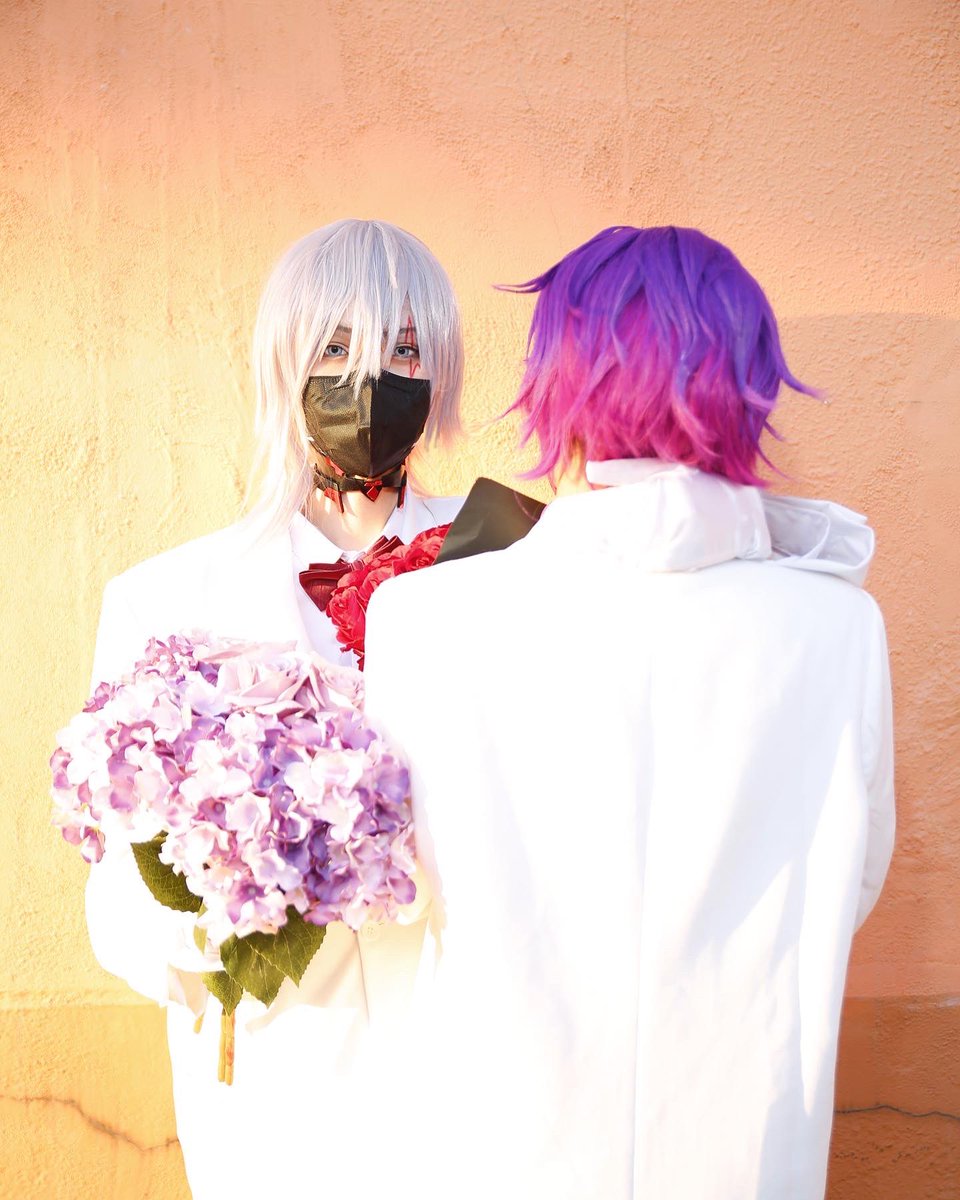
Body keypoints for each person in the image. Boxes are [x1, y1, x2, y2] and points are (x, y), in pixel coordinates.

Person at [363, 226, 895, 1200]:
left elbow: (402, 887)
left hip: (505, 1141)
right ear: (750, 380)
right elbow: (852, 876)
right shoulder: (839, 626)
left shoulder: (425, 618)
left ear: (555, 378)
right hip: (746, 1143)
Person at [84, 219, 464, 1198]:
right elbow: (118, 887)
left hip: (468, 1054)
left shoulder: (501, 566)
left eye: (403, 350)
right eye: (335, 347)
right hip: (277, 1075)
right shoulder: (169, 601)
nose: (369, 380)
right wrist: (228, 903)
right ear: (282, 362)